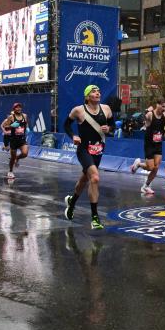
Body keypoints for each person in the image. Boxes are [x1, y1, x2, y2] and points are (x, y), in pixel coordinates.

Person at [63, 85, 112, 230]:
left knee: (84, 179)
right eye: (94, 91)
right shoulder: (78, 110)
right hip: (84, 149)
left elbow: (112, 126)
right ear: (87, 96)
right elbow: (66, 125)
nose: (98, 93)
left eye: (98, 91)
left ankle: (72, 202)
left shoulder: (107, 109)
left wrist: (109, 129)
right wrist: (73, 136)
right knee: (95, 178)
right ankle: (95, 218)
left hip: (99, 149)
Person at [130, 100, 165, 194]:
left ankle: (146, 186)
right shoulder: (150, 115)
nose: (164, 109)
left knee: (156, 167)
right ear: (157, 105)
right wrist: (145, 111)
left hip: (158, 144)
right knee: (151, 167)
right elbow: (138, 119)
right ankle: (139, 164)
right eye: (162, 106)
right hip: (149, 144)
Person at [1, 102, 29, 179]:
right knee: (12, 157)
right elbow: (5, 126)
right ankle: (10, 171)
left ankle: (17, 158)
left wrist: (27, 128)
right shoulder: (11, 117)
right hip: (13, 139)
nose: (19, 108)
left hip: (22, 139)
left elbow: (26, 124)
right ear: (14, 109)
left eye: (20, 107)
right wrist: (12, 126)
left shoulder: (25, 116)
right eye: (17, 107)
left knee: (25, 153)